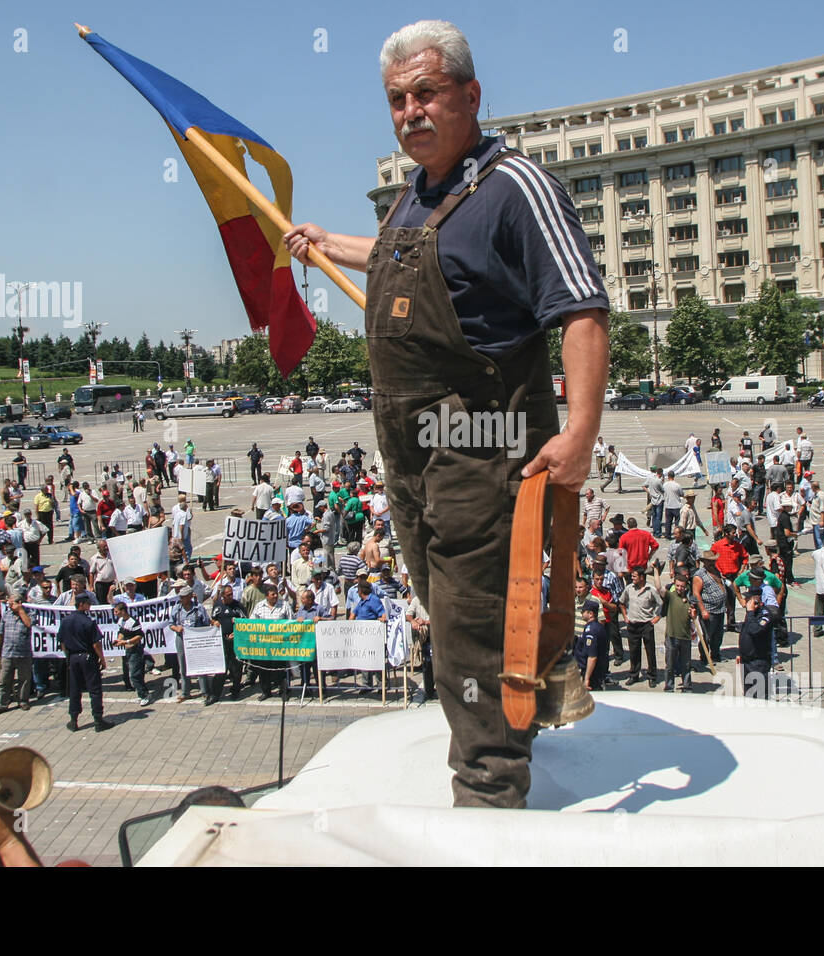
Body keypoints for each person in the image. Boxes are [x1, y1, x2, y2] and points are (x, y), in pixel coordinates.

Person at [284, 21, 609, 808]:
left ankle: (489, 798)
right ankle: (521, 691)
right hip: (415, 458)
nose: (410, 111)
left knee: (465, 626)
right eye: (397, 99)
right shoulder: (416, 197)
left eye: (427, 93)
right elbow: (415, 253)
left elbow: (584, 312)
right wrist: (333, 244)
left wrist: (580, 432)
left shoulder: (515, 187)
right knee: (449, 607)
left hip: (482, 449)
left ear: (470, 94)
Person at [56, 591, 111, 732]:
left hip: (73, 657)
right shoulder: (88, 622)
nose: (90, 606)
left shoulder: (66, 621)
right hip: (87, 657)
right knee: (94, 689)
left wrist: (67, 655)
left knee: (74, 689)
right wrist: (102, 659)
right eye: (87, 604)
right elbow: (96, 644)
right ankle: (98, 720)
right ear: (81, 604)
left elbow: (61, 642)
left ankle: (73, 720)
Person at [619, 566, 662, 686]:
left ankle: (652, 676)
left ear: (642, 577)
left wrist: (656, 618)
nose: (632, 578)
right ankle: (634, 675)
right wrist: (625, 616)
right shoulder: (629, 588)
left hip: (646, 625)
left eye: (634, 576)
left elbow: (660, 603)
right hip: (633, 625)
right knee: (634, 651)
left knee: (650, 652)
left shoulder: (651, 590)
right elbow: (621, 602)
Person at [738, 586, 779, 699]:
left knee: (759, 697)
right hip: (747, 662)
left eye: (748, 599)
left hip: (758, 664)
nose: (746, 602)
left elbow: (755, 630)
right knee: (749, 696)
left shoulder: (765, 615)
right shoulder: (752, 614)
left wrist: (750, 612)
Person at [112, 598, 151, 706]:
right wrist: (119, 640)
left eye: (116, 611)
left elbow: (139, 636)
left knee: (135, 675)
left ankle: (144, 695)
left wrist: (126, 641)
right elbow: (121, 632)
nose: (115, 613)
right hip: (128, 651)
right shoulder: (121, 621)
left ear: (123, 611)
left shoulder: (133, 622)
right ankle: (141, 694)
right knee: (133, 674)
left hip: (135, 651)